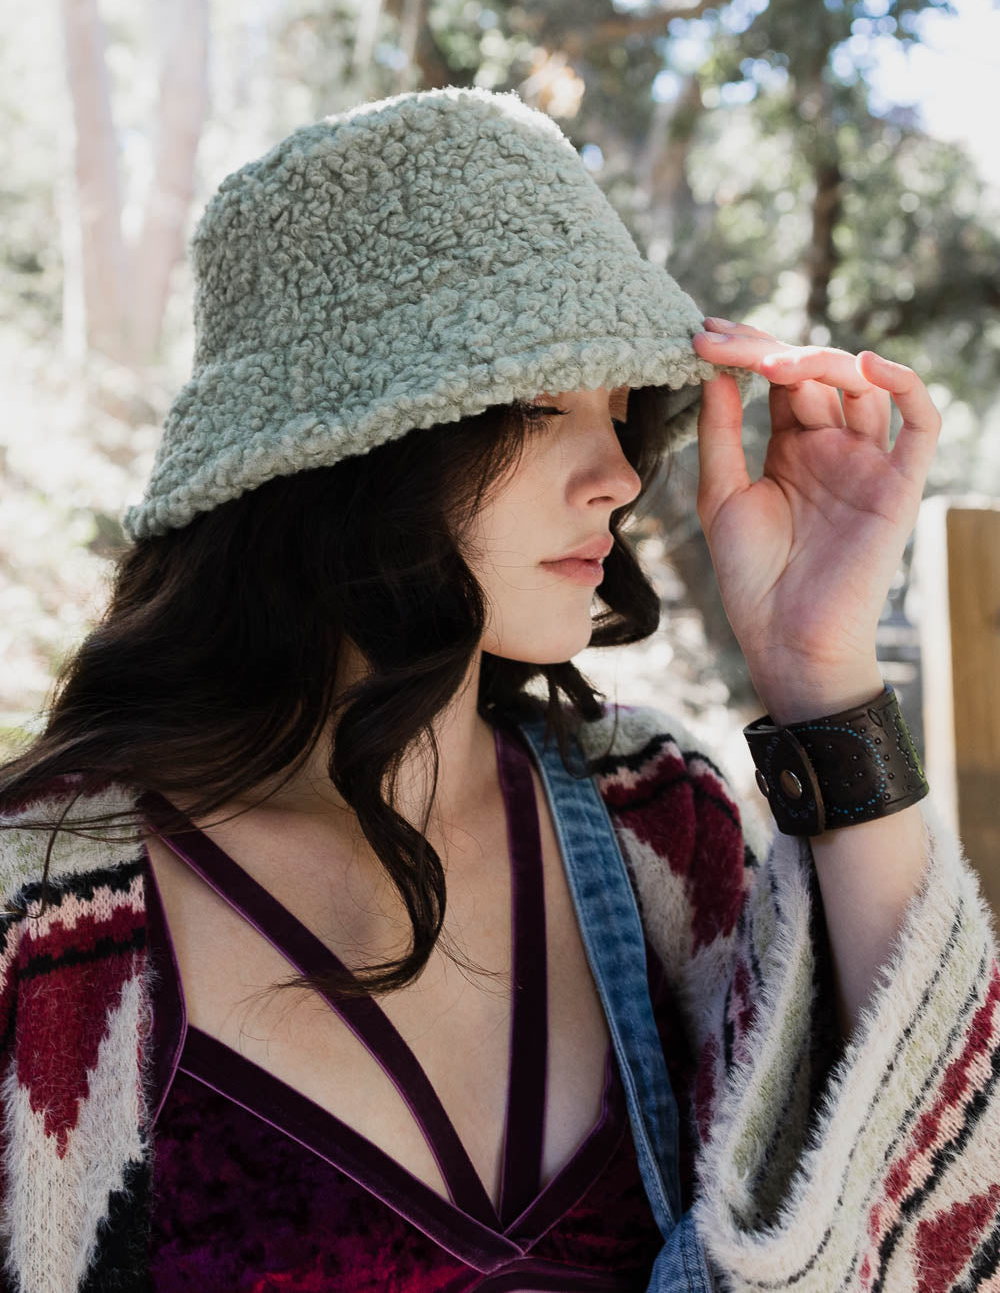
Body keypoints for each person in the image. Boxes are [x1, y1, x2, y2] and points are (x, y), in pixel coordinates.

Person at [0, 84, 997, 1293]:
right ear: (349, 451)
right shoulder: (39, 913)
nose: (622, 476)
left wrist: (821, 680)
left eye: (625, 409)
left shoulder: (656, 825)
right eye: (541, 405)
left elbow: (936, 1190)